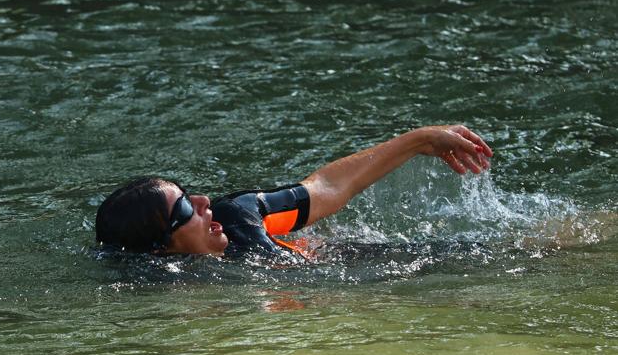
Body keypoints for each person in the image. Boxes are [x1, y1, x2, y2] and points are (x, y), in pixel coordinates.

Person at [95, 125, 493, 257]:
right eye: (184, 209)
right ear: (160, 248)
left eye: (188, 192)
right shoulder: (160, 291)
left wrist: (418, 141)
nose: (203, 202)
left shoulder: (241, 215)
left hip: (370, 259)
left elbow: (328, 186)